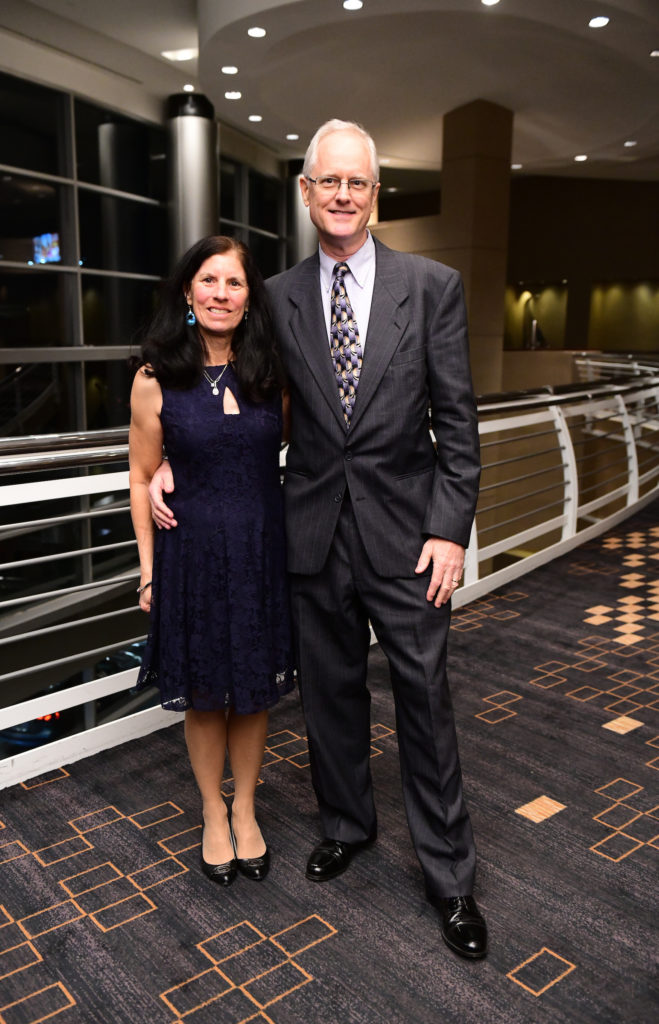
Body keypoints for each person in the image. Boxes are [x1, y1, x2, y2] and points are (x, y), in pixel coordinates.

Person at [149, 121, 487, 959]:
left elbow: (458, 422)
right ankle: (347, 823)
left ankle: (450, 880)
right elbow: (233, 383)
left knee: (425, 706)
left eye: (358, 183)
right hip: (307, 536)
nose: (342, 195)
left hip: (409, 540)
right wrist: (165, 463)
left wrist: (450, 530)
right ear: (305, 192)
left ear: (377, 194)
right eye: (327, 182)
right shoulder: (279, 297)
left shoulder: (432, 286)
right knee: (330, 699)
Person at [129, 235, 293, 888]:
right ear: (188, 293)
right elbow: (141, 477)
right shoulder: (154, 377)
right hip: (189, 555)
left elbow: (293, 451)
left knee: (252, 694)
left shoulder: (271, 373)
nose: (221, 294)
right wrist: (148, 570)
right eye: (209, 281)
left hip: (259, 552)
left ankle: (247, 810)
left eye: (234, 283)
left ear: (250, 298)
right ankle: (211, 812)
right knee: (204, 695)